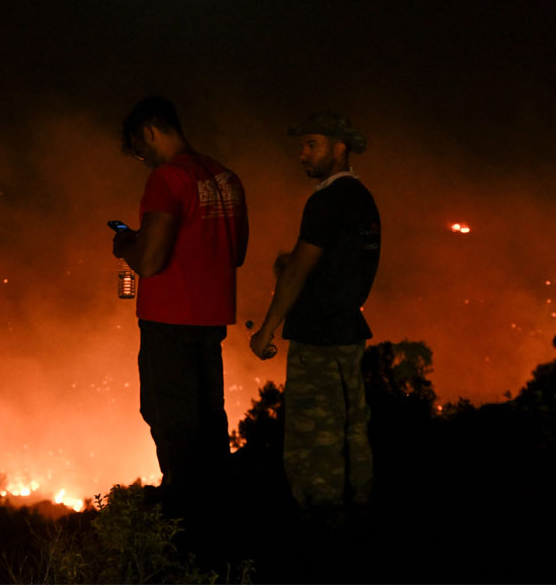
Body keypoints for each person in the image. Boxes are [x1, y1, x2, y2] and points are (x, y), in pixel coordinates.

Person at [111, 96, 249, 522]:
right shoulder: (226, 177)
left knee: (173, 426)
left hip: (169, 321)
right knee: (209, 426)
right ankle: (220, 521)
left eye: (139, 149)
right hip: (210, 321)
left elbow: (150, 261)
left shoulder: (167, 179)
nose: (142, 159)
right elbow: (236, 252)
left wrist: (127, 245)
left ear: (150, 132)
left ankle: (186, 530)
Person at [248, 112, 380, 514]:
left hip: (318, 340)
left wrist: (266, 330)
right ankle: (360, 516)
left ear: (339, 149)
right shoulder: (363, 200)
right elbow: (338, 263)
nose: (303, 154)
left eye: (312, 144)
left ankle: (323, 536)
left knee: (314, 448)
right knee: (352, 435)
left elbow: (299, 271)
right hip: (348, 335)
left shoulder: (325, 201)